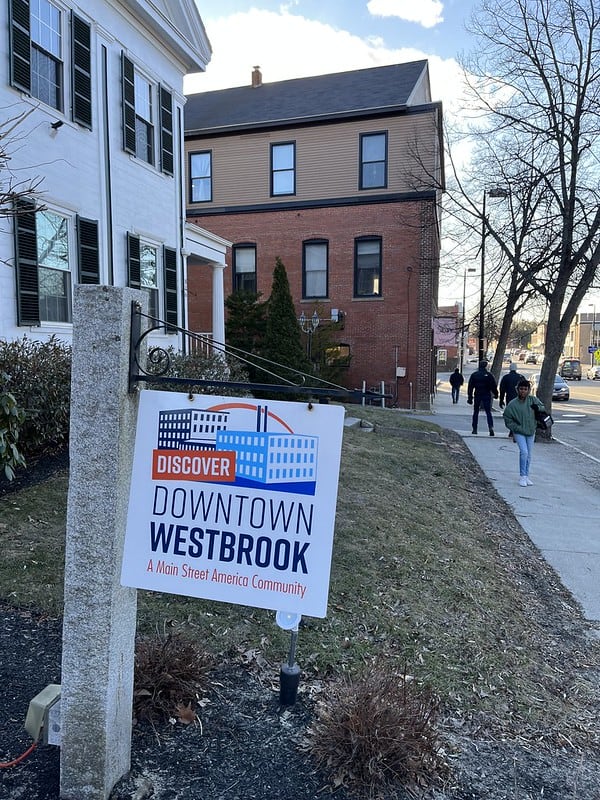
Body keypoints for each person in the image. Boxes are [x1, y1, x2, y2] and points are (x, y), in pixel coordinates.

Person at [502, 378, 546, 487]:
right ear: (518, 390)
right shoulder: (513, 404)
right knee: (524, 452)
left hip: (531, 431)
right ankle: (522, 476)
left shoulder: (533, 400)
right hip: (519, 431)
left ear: (528, 390)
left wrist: (537, 408)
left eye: (525, 389)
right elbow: (507, 418)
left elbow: (542, 407)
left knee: (529, 454)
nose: (523, 391)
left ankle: (526, 476)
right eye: (521, 389)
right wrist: (515, 428)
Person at [467, 360, 498, 436]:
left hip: (477, 394)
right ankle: (490, 427)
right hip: (487, 395)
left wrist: (470, 397)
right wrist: (496, 394)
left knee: (476, 412)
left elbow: (470, 387)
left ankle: (474, 429)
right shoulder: (489, 375)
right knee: (488, 412)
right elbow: (493, 386)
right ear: (486, 366)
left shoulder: (475, 375)